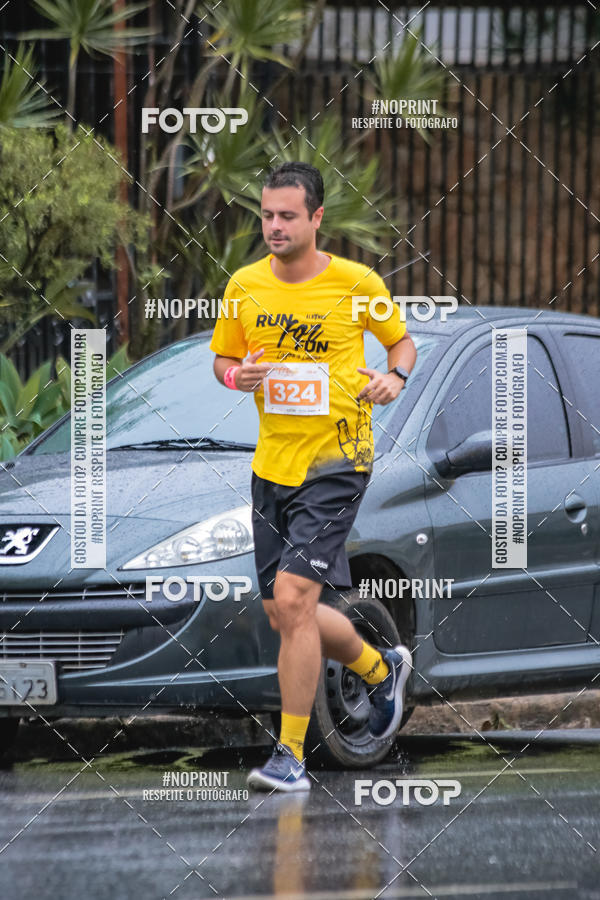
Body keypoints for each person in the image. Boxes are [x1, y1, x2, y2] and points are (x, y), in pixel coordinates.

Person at [210, 161, 417, 792]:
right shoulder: (243, 285)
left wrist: (394, 377)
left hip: (337, 460)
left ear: (316, 218)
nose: (273, 226)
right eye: (266, 215)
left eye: (287, 216)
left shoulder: (356, 283)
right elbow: (223, 358)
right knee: (285, 615)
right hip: (272, 466)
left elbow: (401, 344)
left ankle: (290, 758)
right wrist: (234, 376)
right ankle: (380, 669)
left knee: (297, 602)